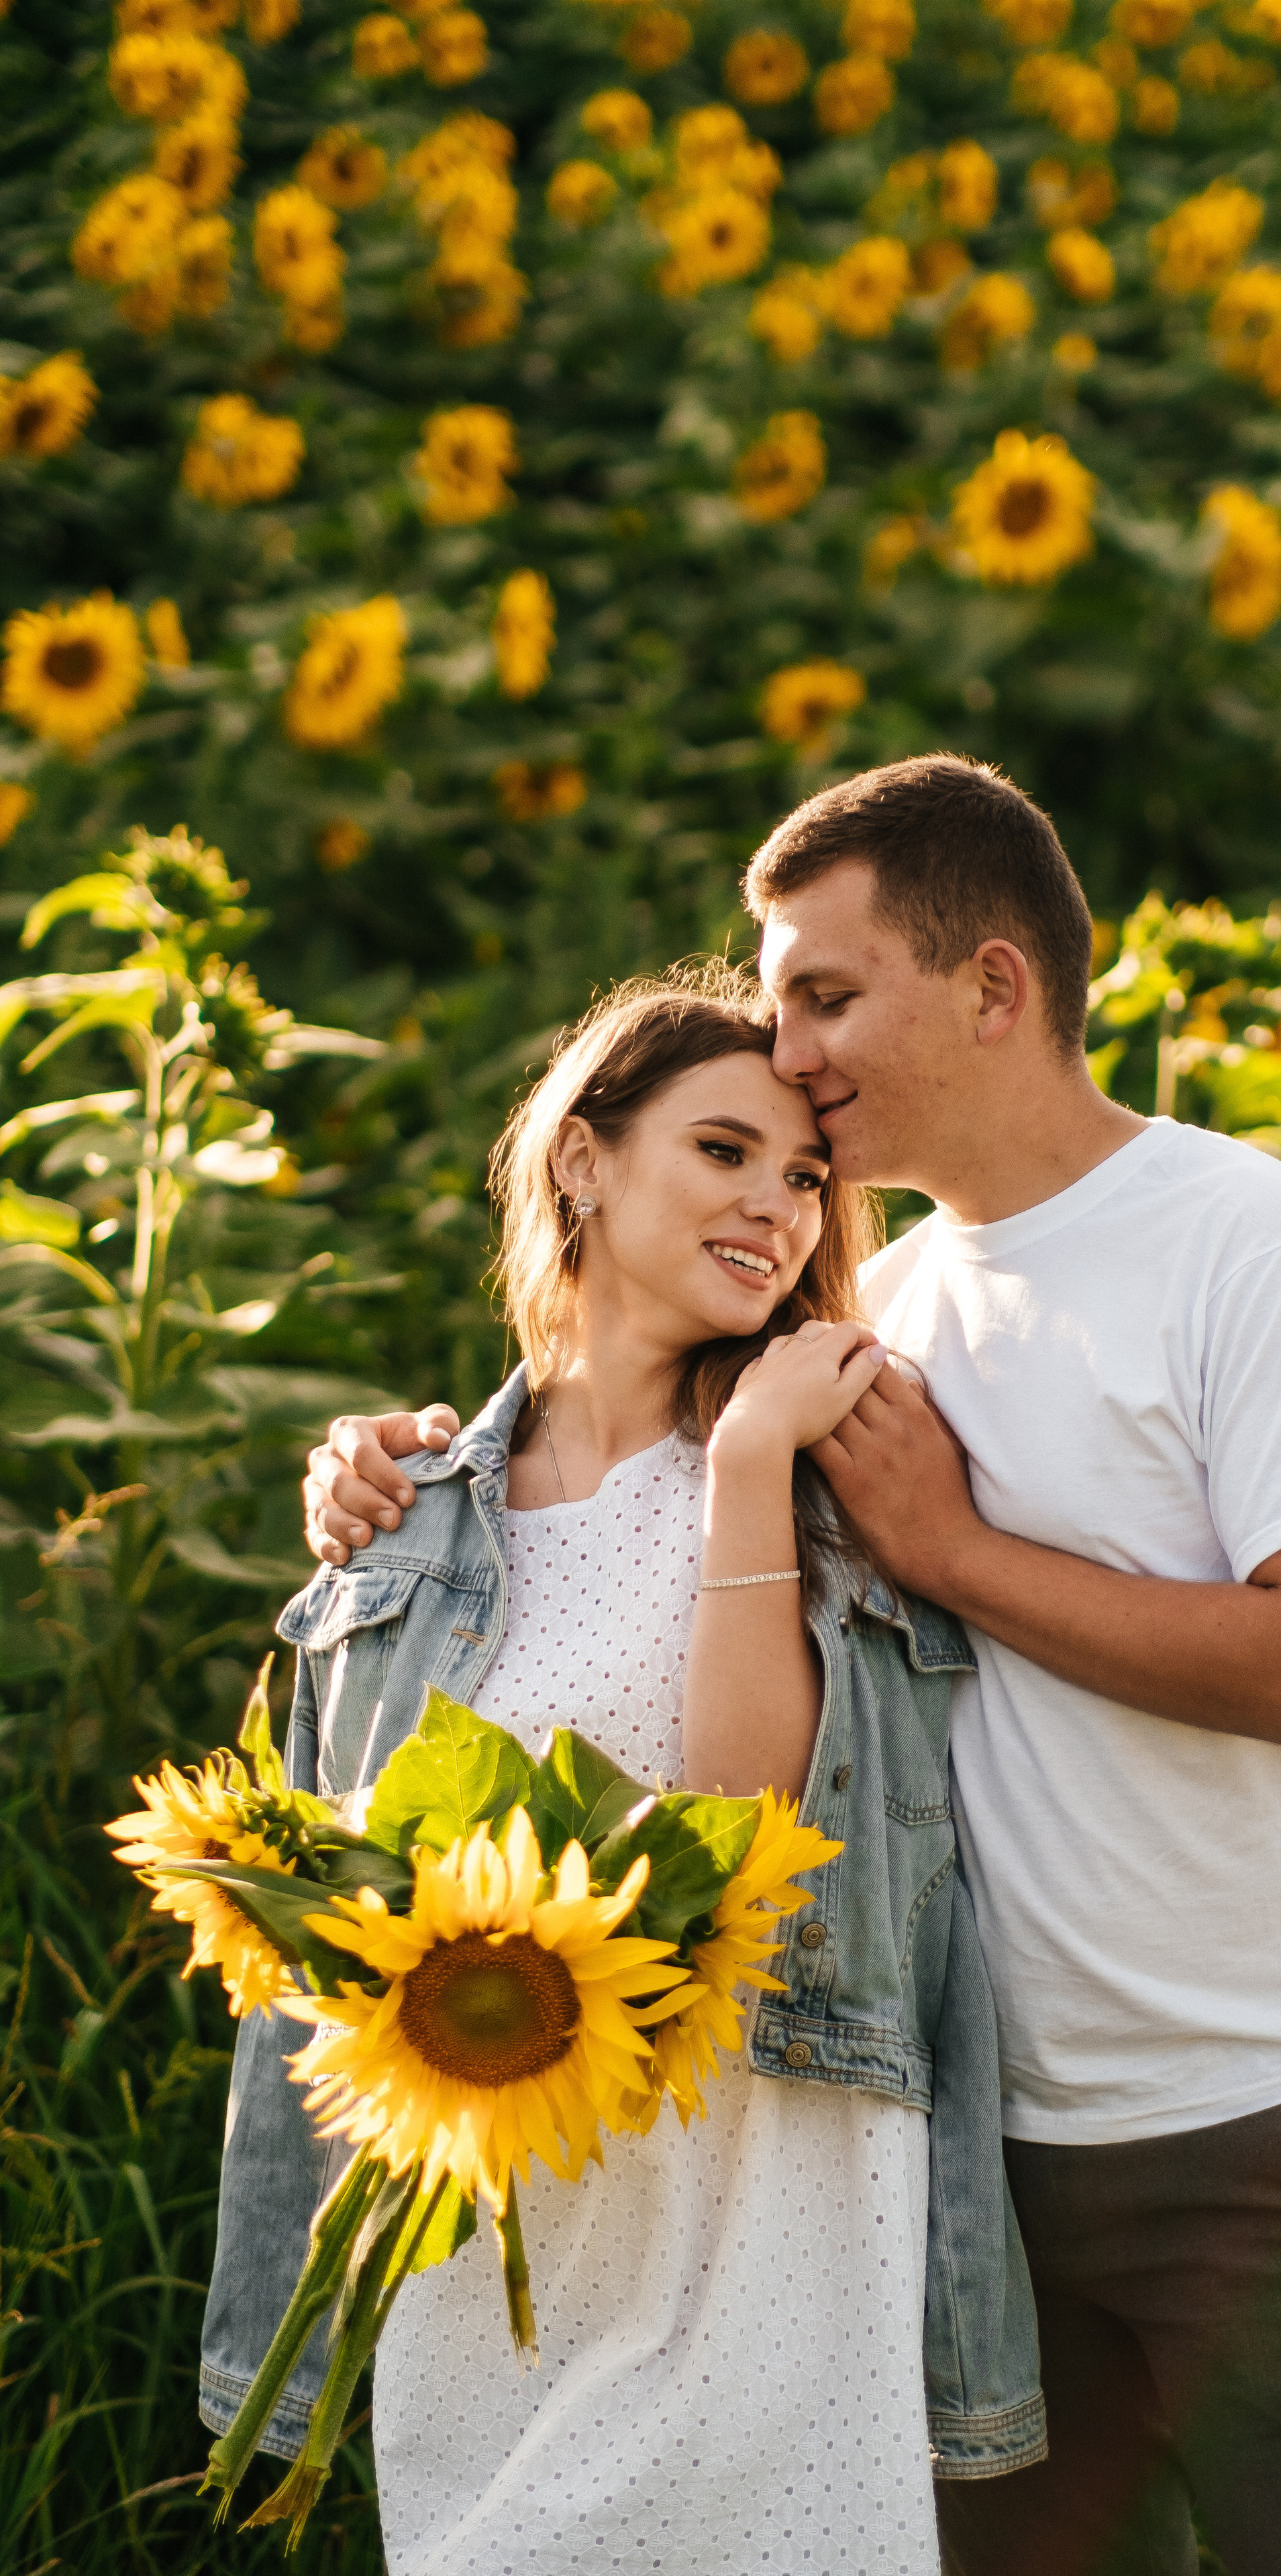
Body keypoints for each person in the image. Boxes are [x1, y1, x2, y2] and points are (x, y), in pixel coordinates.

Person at [304, 757, 1281, 2576]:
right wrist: (382, 1474)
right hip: (968, 2157)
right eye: (779, 1004)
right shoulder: (881, 1311)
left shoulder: (1247, 1242)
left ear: (994, 988)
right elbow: (619, 1516)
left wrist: (957, 1557)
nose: (793, 1047)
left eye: (827, 995)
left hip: (1251, 2131)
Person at [201, 966, 1045, 2576]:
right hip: (489, 2216)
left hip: (758, 2205)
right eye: (723, 1151)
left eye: (805, 1178)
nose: (778, 1210)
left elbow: (752, 1828)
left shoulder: (821, 1461)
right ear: (580, 1160)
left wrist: (742, 1465)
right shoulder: (413, 1519)